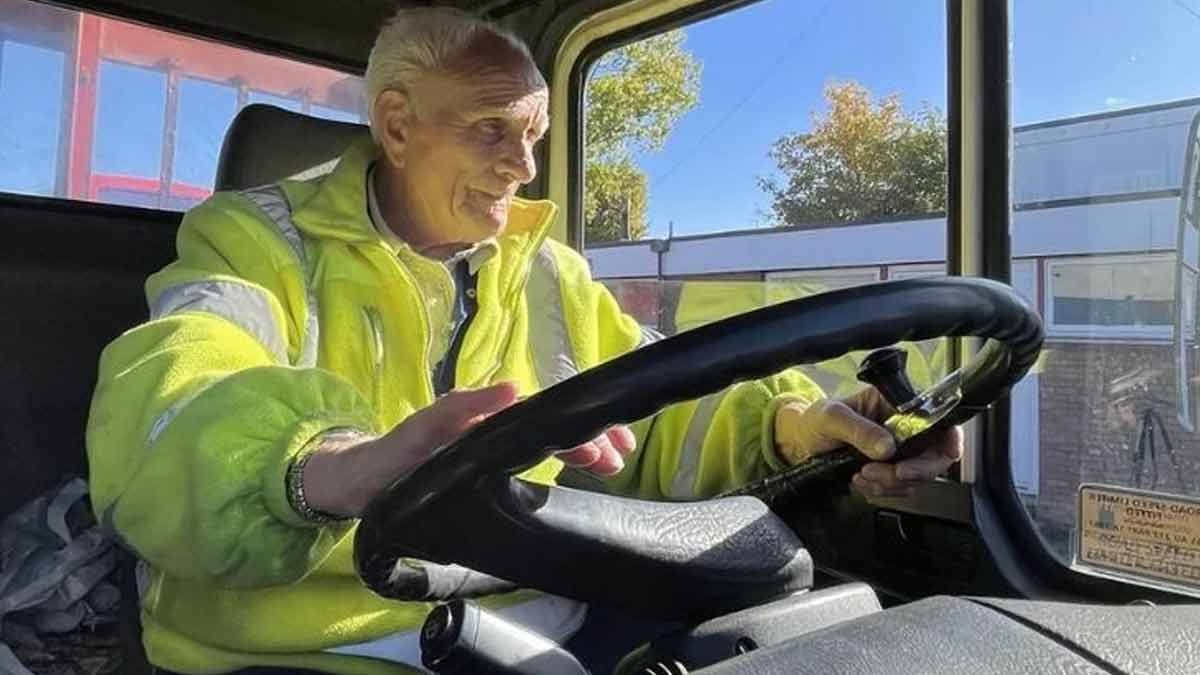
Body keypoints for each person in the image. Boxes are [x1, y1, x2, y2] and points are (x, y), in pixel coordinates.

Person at [85, 7, 961, 674]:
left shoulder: (544, 271)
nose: (525, 166)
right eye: (491, 129)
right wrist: (329, 465)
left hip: (529, 625)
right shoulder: (252, 243)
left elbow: (657, 411)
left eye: (535, 135)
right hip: (296, 647)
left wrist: (800, 425)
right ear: (395, 126)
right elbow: (169, 398)